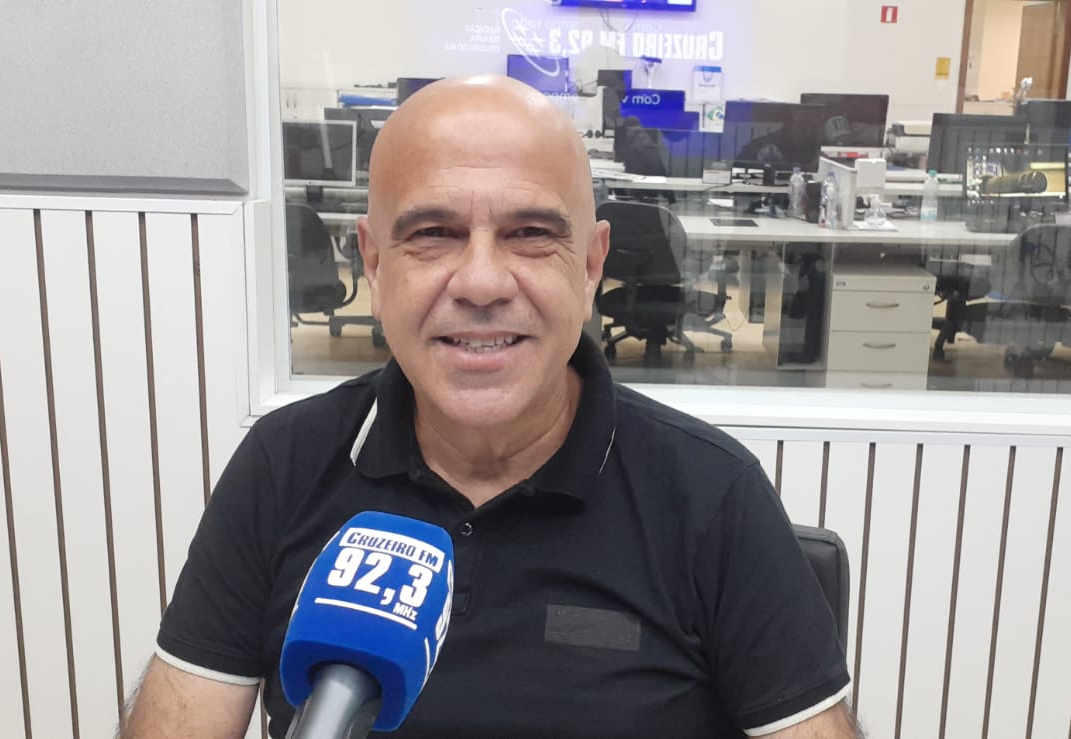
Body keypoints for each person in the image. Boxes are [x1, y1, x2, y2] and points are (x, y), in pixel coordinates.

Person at [122, 75, 858, 738]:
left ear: (591, 265)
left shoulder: (712, 496)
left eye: (530, 234)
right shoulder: (284, 465)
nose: (480, 283)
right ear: (374, 263)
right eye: (433, 234)